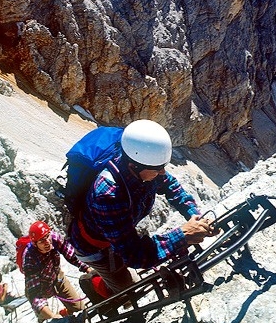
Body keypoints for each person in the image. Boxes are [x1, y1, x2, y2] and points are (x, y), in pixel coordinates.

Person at [69, 119, 218, 297]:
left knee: (121, 268)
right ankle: (93, 284)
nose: (163, 173)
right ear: (133, 166)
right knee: (127, 290)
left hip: (116, 233)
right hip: (94, 248)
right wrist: (183, 235)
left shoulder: (146, 166)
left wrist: (195, 216)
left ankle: (105, 276)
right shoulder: (107, 194)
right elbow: (134, 255)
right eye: (157, 169)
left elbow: (172, 187)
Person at [23, 220, 92, 323]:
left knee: (79, 308)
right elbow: (35, 294)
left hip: (57, 278)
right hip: (41, 286)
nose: (47, 242)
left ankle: (66, 314)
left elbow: (73, 256)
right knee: (49, 321)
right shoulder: (29, 258)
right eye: (42, 241)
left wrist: (88, 270)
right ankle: (43, 318)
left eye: (47, 236)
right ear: (35, 244)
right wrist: (53, 317)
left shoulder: (54, 238)